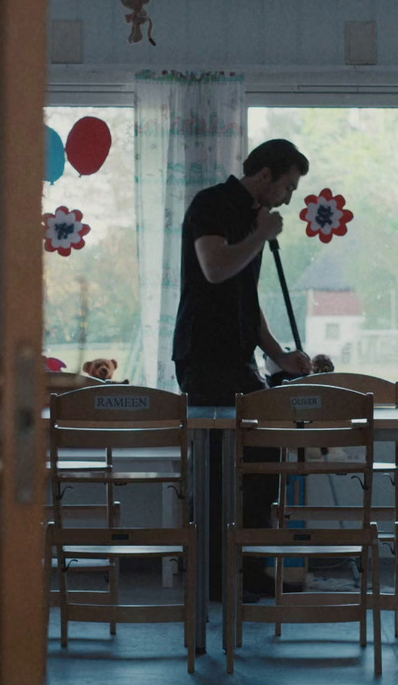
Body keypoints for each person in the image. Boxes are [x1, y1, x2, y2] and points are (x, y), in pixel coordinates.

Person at [173, 138, 313, 603]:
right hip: (205, 357)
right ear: (266, 175)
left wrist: (278, 356)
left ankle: (248, 570)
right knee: (215, 470)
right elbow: (214, 269)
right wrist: (260, 236)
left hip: (239, 359)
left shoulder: (255, 218)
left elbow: (246, 303)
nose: (290, 198)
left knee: (263, 461)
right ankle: (212, 580)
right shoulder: (211, 204)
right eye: (289, 186)